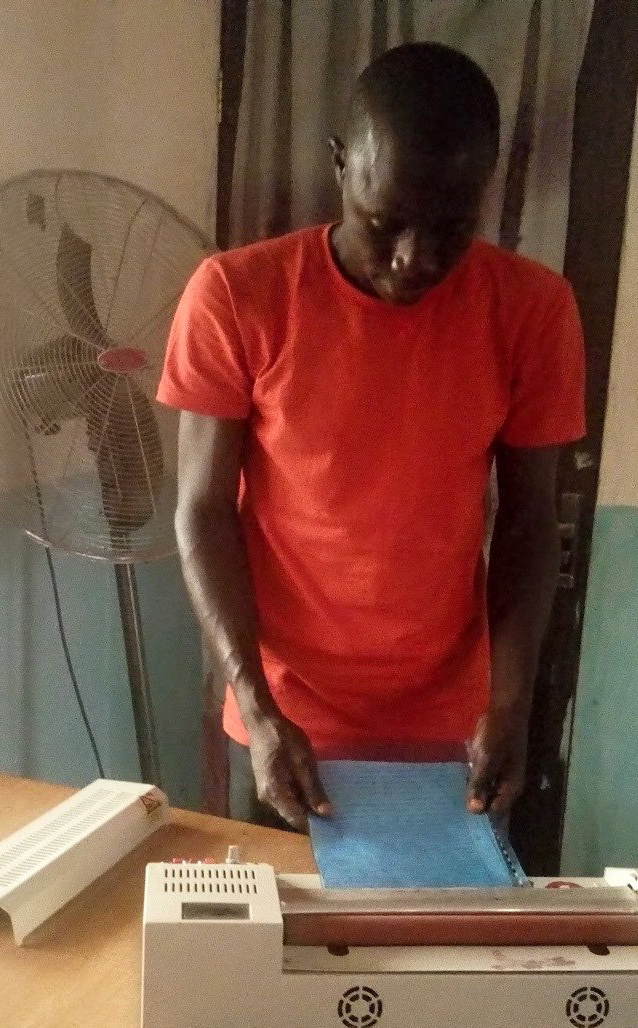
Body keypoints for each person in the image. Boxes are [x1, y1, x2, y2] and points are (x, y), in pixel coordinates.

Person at [157, 42, 585, 831]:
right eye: (384, 222)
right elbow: (203, 510)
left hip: (451, 713)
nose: (413, 260)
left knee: (429, 939)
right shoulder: (236, 296)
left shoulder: (532, 310)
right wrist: (254, 703)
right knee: (284, 940)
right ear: (339, 165)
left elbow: (529, 519)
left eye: (451, 230)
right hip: (285, 711)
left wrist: (513, 701)